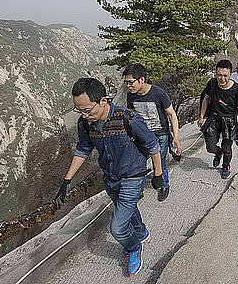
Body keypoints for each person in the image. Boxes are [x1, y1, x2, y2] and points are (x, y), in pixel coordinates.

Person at [55, 78, 163, 277]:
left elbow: (153, 145)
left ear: (103, 101)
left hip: (133, 176)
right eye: (80, 111)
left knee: (118, 228)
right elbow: (83, 149)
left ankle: (133, 248)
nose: (85, 115)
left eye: (88, 110)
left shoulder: (128, 118)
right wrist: (67, 180)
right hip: (111, 178)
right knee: (128, 211)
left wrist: (159, 175)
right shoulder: (86, 124)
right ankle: (141, 232)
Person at [123, 63, 182, 202]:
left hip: (160, 134)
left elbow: (172, 115)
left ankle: (164, 185)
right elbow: (130, 116)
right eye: (126, 83)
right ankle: (139, 189)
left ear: (141, 80)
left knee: (159, 162)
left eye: (131, 82)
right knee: (139, 162)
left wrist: (176, 138)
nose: (128, 86)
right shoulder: (131, 96)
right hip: (141, 134)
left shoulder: (158, 93)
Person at [198, 59, 238, 179]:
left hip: (229, 121)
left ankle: (226, 165)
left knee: (227, 148)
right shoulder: (212, 83)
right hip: (214, 118)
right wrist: (202, 116)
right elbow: (206, 99)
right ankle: (218, 154)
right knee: (210, 146)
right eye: (219, 75)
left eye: (225, 75)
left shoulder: (236, 89)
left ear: (230, 74)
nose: (222, 78)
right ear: (215, 73)